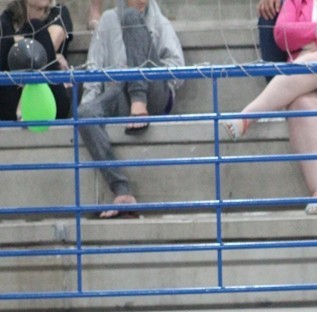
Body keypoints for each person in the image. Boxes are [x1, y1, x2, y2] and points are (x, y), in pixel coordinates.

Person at [224, 0, 317, 216]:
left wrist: (310, 46)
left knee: (314, 63)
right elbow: (282, 35)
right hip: (305, 80)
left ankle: (249, 115)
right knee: (302, 104)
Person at [77, 0, 184, 218]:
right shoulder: (108, 20)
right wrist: (91, 102)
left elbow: (178, 70)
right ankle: (122, 190)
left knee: (131, 18)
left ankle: (139, 99)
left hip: (155, 94)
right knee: (85, 114)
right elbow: (94, 67)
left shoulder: (160, 22)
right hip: (119, 91)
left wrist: (143, 67)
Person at [0, 0, 72, 122]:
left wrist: (17, 41)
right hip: (12, 95)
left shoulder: (58, 12)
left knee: (36, 27)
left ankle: (24, 106)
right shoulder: (7, 18)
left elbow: (45, 47)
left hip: (50, 95)